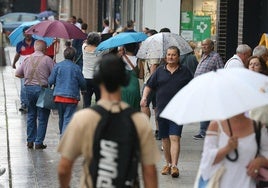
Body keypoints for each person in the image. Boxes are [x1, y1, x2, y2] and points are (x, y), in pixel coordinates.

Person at [57, 54, 160, 188]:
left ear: (98, 80)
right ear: (125, 80)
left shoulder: (83, 118)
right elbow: (149, 171)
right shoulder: (139, 120)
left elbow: (64, 167)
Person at [141, 46, 193, 178]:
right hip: (162, 110)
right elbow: (149, 86)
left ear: (178, 57)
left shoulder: (185, 71)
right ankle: (168, 164)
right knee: (165, 139)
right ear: (165, 57)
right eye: (169, 55)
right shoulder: (159, 71)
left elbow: (193, 87)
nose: (171, 57)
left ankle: (175, 166)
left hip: (178, 111)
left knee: (175, 137)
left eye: (173, 55)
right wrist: (144, 97)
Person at [198, 113, 268, 187]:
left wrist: (260, 161)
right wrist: (227, 149)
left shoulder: (257, 127)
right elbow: (206, 161)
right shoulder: (216, 125)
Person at [15, 40, 55, 149]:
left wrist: (29, 76)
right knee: (42, 116)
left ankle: (30, 141)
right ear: (44, 49)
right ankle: (38, 142)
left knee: (31, 115)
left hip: (28, 89)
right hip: (42, 90)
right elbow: (54, 76)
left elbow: (18, 74)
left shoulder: (27, 59)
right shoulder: (47, 59)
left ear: (35, 48)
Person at [48, 47, 86, 137]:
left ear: (64, 56)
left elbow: (50, 81)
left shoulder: (57, 66)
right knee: (68, 118)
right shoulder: (76, 68)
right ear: (74, 57)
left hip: (58, 97)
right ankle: (63, 138)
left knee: (61, 118)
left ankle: (62, 134)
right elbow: (82, 82)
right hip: (71, 98)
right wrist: (83, 89)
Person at [193, 38, 224, 140]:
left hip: (209, 89)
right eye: (202, 45)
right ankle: (205, 131)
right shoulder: (204, 56)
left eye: (206, 45)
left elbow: (221, 72)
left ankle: (205, 132)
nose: (204, 46)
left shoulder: (215, 57)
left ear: (212, 46)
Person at [12, 26, 36, 112]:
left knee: (34, 85)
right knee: (23, 86)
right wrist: (14, 63)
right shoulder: (20, 44)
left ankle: (34, 103)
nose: (27, 34)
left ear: (32, 33)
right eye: (25, 32)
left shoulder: (36, 43)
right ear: (23, 33)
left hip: (35, 68)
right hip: (23, 68)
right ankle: (24, 104)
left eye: (29, 32)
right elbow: (17, 54)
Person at [82, 32, 103, 108]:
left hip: (86, 77)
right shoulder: (101, 51)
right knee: (99, 100)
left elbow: (84, 42)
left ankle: (86, 117)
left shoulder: (83, 48)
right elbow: (110, 47)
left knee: (86, 100)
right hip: (97, 78)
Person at [121, 42, 141, 111]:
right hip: (135, 86)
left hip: (123, 86)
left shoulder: (120, 58)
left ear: (125, 48)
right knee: (135, 109)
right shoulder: (138, 59)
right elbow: (141, 76)